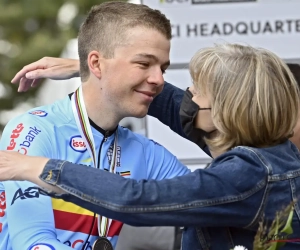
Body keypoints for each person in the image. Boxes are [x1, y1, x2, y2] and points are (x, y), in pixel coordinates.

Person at [1, 44, 300, 250]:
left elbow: (135, 200)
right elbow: (176, 108)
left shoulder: (246, 175)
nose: (190, 97)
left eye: (199, 92)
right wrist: (101, 73)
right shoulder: (276, 157)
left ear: (226, 110)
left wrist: (37, 167)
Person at [0, 2, 191, 250]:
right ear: (97, 64)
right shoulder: (34, 130)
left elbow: (215, 205)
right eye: (144, 64)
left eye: (163, 68)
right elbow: (34, 244)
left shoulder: (146, 153)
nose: (159, 80)